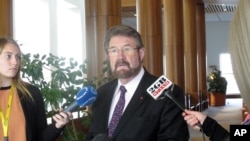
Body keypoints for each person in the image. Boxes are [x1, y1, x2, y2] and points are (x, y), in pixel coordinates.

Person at [85, 25, 189, 141]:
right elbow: (93, 135)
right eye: (114, 50)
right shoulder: (102, 93)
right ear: (108, 57)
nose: (120, 57)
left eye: (127, 49)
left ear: (141, 53)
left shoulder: (167, 92)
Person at [0, 37, 72, 141]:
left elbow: (41, 137)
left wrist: (57, 126)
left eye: (18, 57)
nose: (15, 62)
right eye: (8, 56)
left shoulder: (31, 93)